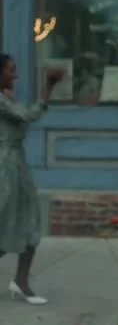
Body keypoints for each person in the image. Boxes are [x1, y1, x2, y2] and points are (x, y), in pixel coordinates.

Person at [0, 54, 63, 305]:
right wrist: (48, 87)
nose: (15, 75)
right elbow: (29, 116)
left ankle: (21, 282)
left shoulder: (7, 97)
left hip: (18, 165)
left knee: (30, 222)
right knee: (4, 220)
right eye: (10, 70)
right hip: (5, 166)